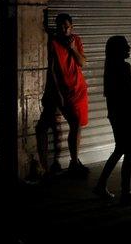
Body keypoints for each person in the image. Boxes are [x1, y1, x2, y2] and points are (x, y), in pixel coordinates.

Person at [35, 13, 90, 178]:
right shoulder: (53, 43)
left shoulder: (76, 40)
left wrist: (72, 48)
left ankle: (73, 161)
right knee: (52, 126)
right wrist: (57, 93)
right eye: (61, 27)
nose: (64, 30)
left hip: (78, 89)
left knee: (77, 124)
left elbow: (82, 62)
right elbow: (51, 70)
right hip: (61, 91)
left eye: (67, 27)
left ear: (71, 27)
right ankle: (54, 164)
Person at [93, 36, 131, 205]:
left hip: (116, 116)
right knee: (128, 153)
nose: (129, 48)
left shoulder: (109, 68)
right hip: (127, 116)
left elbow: (113, 97)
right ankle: (125, 192)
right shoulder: (123, 67)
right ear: (118, 50)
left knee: (120, 150)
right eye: (125, 46)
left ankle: (101, 185)